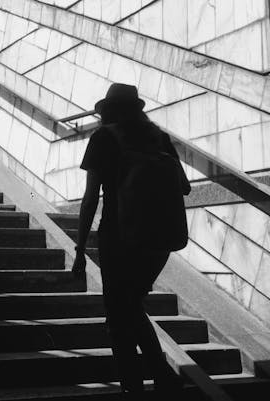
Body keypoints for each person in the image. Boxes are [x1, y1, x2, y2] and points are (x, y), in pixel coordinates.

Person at [71, 83, 191, 399]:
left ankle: (134, 385)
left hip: (119, 237)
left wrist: (80, 248)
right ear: (137, 109)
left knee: (119, 314)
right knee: (131, 307)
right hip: (159, 242)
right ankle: (162, 377)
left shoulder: (104, 137)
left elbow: (89, 199)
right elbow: (184, 187)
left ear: (106, 111)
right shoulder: (159, 138)